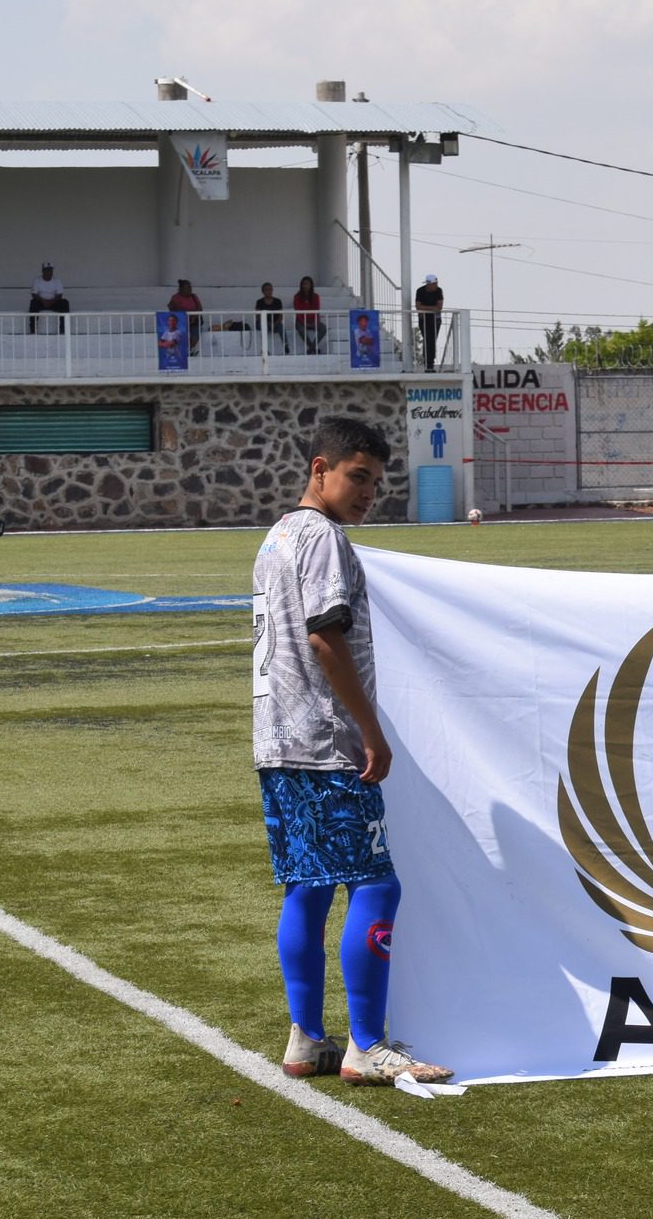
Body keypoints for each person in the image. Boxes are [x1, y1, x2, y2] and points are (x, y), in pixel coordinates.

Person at [253, 418, 451, 1087]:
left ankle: (305, 1037)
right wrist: (369, 727)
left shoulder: (275, 535)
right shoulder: (324, 538)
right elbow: (325, 638)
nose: (370, 492)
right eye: (357, 476)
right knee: (376, 882)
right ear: (321, 468)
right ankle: (367, 1043)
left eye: (377, 480)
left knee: (307, 885)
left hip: (276, 740)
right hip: (326, 740)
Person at [29, 261, 70, 335]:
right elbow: (34, 294)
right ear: (43, 271)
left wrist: (51, 302)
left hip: (53, 302)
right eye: (47, 270)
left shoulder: (57, 280)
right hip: (41, 302)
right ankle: (33, 330)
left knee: (65, 303)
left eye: (51, 270)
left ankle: (63, 330)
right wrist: (43, 301)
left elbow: (60, 294)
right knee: (33, 303)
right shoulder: (37, 280)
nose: (49, 272)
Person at [415, 273, 444, 371]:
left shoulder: (439, 291)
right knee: (427, 340)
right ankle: (428, 363)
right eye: (434, 284)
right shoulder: (420, 291)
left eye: (436, 283)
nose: (436, 285)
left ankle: (430, 363)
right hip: (424, 319)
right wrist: (432, 308)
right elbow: (418, 306)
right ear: (429, 284)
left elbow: (439, 307)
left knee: (432, 340)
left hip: (435, 319)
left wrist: (426, 309)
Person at [168, 280, 205, 356]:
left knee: (195, 335)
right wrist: (186, 316)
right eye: (187, 287)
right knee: (182, 337)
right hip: (181, 321)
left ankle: (189, 350)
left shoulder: (194, 297)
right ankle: (183, 351)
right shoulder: (175, 297)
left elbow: (200, 308)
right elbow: (175, 308)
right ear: (181, 289)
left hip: (194, 320)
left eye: (190, 287)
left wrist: (194, 316)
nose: (190, 289)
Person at [292, 276, 326, 354]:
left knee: (323, 328)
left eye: (307, 284)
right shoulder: (297, 297)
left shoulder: (315, 296)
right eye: (304, 284)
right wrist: (304, 321)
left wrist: (312, 321)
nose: (305, 286)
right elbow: (298, 310)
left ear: (311, 285)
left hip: (313, 320)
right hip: (300, 321)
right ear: (301, 285)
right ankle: (313, 348)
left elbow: (316, 309)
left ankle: (311, 348)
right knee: (301, 330)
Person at [255, 282, 288, 354]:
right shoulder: (259, 302)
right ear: (263, 292)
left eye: (270, 289)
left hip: (275, 323)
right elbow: (258, 316)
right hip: (262, 323)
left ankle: (286, 346)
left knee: (281, 326)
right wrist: (269, 324)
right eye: (266, 290)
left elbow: (280, 315)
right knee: (264, 327)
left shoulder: (278, 301)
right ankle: (264, 349)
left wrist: (274, 324)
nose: (269, 291)